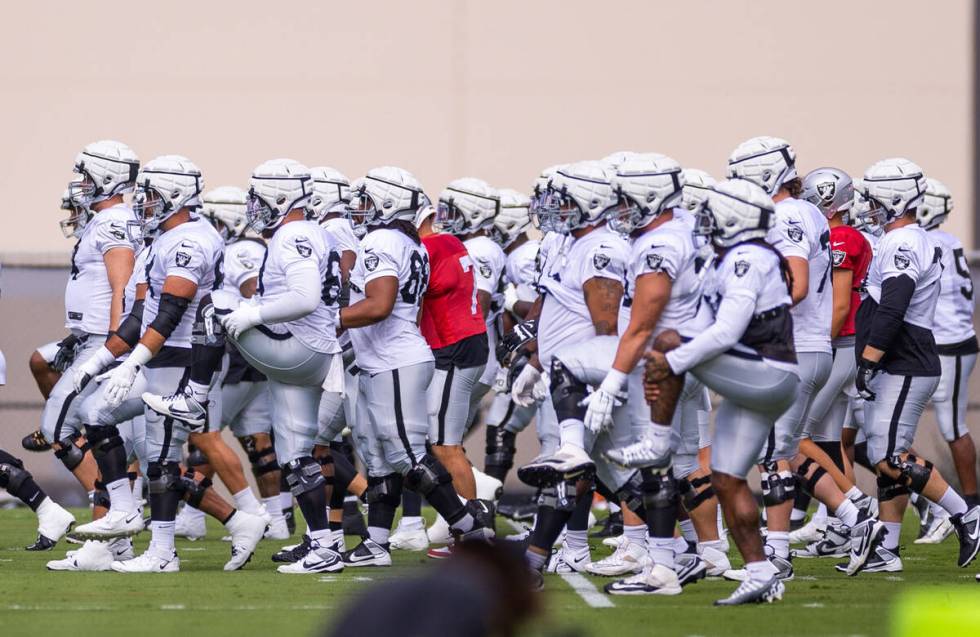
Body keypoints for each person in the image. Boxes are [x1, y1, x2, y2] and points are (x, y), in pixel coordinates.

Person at [71, 155, 267, 573]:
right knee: (95, 411)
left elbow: (172, 312)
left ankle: (163, 554)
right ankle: (128, 508)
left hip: (183, 356)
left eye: (149, 193)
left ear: (175, 195)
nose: (140, 201)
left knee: (161, 455)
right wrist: (105, 359)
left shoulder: (191, 239)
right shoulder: (158, 239)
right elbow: (141, 313)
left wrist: (131, 361)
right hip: (156, 354)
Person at [643, 178, 799, 605]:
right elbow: (702, 327)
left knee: (672, 347)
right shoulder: (726, 258)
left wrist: (669, 359)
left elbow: (727, 330)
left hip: (767, 373)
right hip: (751, 379)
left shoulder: (748, 257)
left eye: (712, 212)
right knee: (728, 481)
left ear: (734, 216)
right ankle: (760, 571)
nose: (704, 221)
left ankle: (656, 441)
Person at [338, 166, 494, 568]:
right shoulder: (406, 241)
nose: (360, 207)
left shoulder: (382, 239)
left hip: (396, 359)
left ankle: (468, 526)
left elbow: (379, 304)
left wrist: (331, 319)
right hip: (388, 358)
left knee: (407, 454)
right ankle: (376, 542)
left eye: (367, 199)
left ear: (388, 202)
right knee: (379, 458)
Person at [848, 158, 980, 575]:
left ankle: (966, 515)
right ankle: (887, 548)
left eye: (872, 198)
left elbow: (894, 305)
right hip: (902, 358)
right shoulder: (898, 238)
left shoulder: (905, 241)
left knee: (887, 456)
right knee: (884, 450)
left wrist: (869, 357)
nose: (866, 205)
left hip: (906, 358)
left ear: (893, 198)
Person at [38, 140, 140, 521]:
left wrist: (116, 346)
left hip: (104, 343)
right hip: (94, 340)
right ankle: (113, 528)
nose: (79, 183)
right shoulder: (107, 219)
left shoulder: (113, 220)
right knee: (107, 437)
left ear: (107, 176)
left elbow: (122, 285)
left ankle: (116, 516)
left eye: (85, 174)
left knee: (58, 428)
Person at [916, 178, 979, 513]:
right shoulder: (947, 239)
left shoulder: (928, 242)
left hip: (949, 343)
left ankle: (970, 504)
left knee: (952, 425)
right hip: (940, 342)